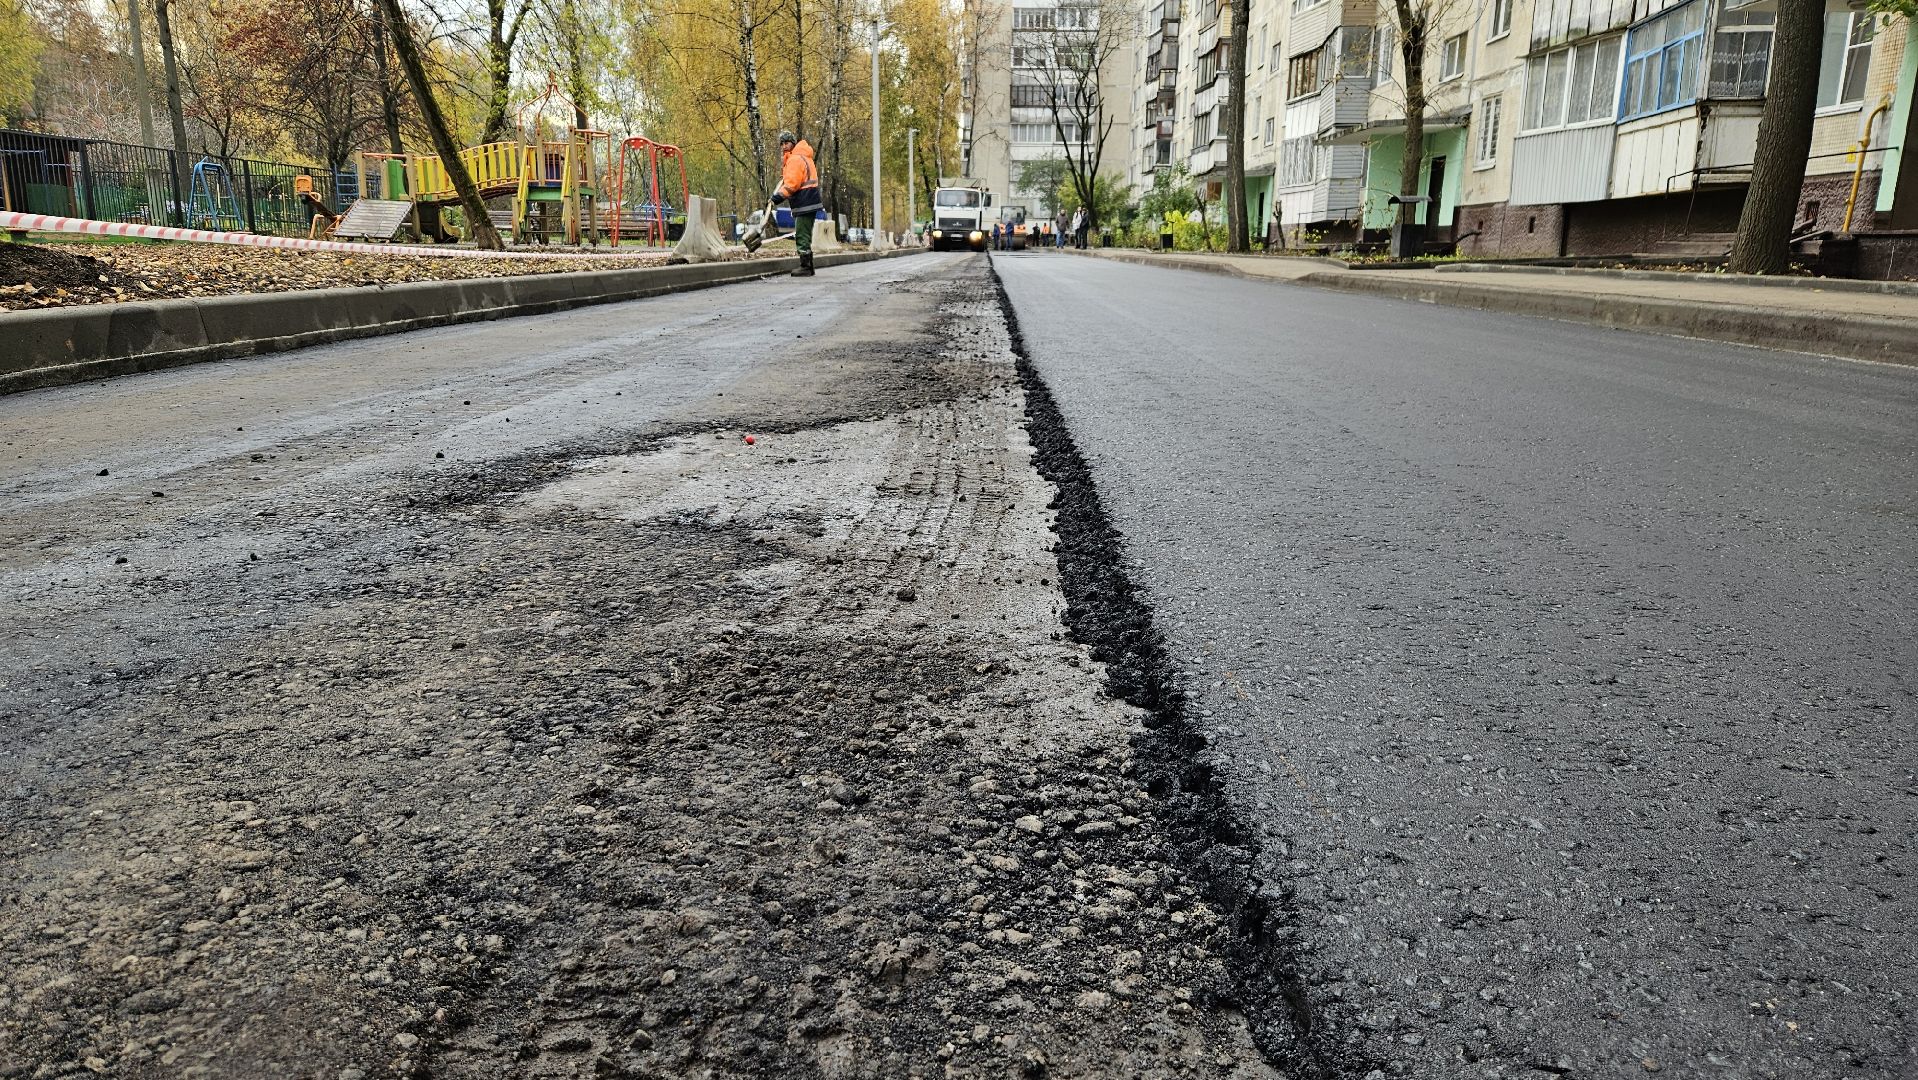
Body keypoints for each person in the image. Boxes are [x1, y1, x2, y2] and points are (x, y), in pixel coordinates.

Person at [770, 131, 822, 276]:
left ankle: (805, 267)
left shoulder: (795, 159)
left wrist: (777, 197)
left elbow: (792, 184)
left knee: (801, 234)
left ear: (793, 143)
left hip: (804, 201)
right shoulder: (803, 156)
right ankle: (809, 266)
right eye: (781, 144)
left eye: (786, 143)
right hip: (809, 200)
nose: (784, 146)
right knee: (804, 234)